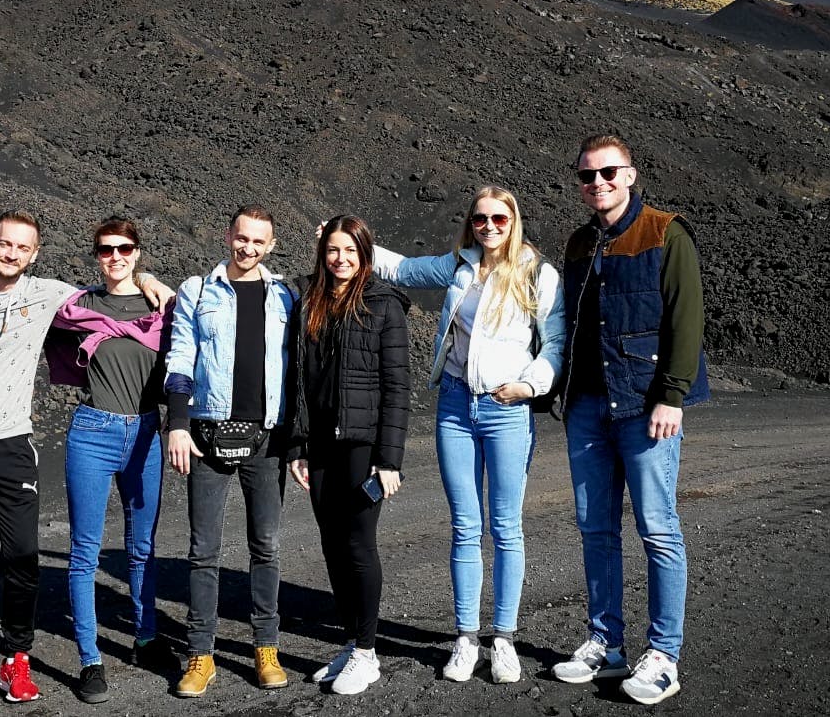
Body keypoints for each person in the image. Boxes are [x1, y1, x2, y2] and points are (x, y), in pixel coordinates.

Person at [0, 210, 171, 710]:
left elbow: (126, 305)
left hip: (24, 445)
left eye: (23, 248)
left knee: (27, 558)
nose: (12, 253)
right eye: (5, 244)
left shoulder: (48, 295)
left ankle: (25, 657)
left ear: (35, 254)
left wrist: (149, 278)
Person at [369, 186, 563, 684]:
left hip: (506, 409)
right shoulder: (459, 264)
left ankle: (503, 638)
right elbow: (403, 269)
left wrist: (528, 385)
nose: (490, 227)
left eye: (499, 218)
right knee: (464, 526)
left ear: (514, 219)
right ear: (470, 223)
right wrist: (350, 237)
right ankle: (464, 638)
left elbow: (556, 344)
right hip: (455, 405)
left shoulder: (537, 273)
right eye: (480, 219)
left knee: (506, 526)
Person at [549, 135, 708, 706]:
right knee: (596, 529)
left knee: (658, 529)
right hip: (588, 406)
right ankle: (605, 643)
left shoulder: (666, 233)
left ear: (631, 175)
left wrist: (672, 395)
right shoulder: (578, 244)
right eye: (587, 176)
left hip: (646, 406)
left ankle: (663, 655)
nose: (598, 183)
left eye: (608, 173)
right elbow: (565, 324)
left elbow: (686, 320)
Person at [40, 218, 183, 703]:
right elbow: (25, 296)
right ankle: (90, 658)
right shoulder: (78, 305)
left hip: (145, 432)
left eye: (125, 249)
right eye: (106, 250)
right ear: (96, 255)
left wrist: (150, 283)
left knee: (142, 546)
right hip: (93, 433)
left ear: (138, 252)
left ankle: (145, 638)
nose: (115, 256)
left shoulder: (161, 306)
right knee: (84, 551)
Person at [164, 206, 299, 698]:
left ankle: (267, 646)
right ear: (228, 236)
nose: (248, 249)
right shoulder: (198, 291)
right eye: (242, 239)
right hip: (206, 434)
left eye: (258, 242)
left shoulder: (286, 294)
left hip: (268, 438)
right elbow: (180, 357)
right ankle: (201, 654)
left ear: (272, 243)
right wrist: (178, 425)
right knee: (204, 551)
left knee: (267, 547)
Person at [285, 215, 411, 695]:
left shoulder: (383, 305)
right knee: (332, 544)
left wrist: (390, 458)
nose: (341, 260)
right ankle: (351, 642)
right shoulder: (310, 301)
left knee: (358, 544)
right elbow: (300, 380)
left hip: (363, 444)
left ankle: (367, 652)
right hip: (319, 444)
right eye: (333, 250)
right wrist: (298, 444)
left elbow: (397, 386)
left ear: (366, 255)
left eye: (350, 252)